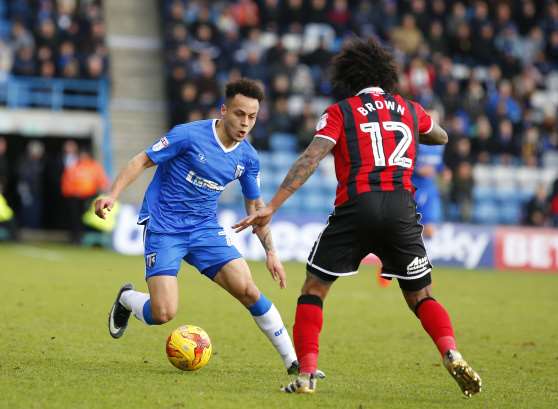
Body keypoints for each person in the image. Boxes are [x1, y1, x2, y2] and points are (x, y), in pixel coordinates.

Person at [234, 38, 482, 397]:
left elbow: (310, 158)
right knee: (421, 295)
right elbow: (441, 136)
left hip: (357, 206)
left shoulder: (341, 111)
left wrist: (273, 205)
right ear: (388, 76)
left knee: (314, 290)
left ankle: (306, 375)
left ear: (347, 78)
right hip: (401, 208)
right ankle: (450, 351)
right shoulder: (410, 108)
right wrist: (413, 125)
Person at [95, 79, 301, 375]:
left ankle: (293, 362)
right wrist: (112, 194)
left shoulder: (247, 158)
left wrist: (271, 252)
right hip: (165, 226)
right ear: (224, 110)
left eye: (252, 117)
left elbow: (256, 210)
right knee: (163, 312)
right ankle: (127, 299)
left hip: (205, 230)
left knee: (248, 290)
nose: (245, 123)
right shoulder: (188, 135)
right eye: (239, 114)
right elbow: (142, 160)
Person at [413, 143, 445, 237]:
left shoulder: (440, 144)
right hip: (411, 189)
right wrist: (417, 169)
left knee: (430, 229)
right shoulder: (414, 140)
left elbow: (438, 164)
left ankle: (424, 250)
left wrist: (443, 170)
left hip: (430, 190)